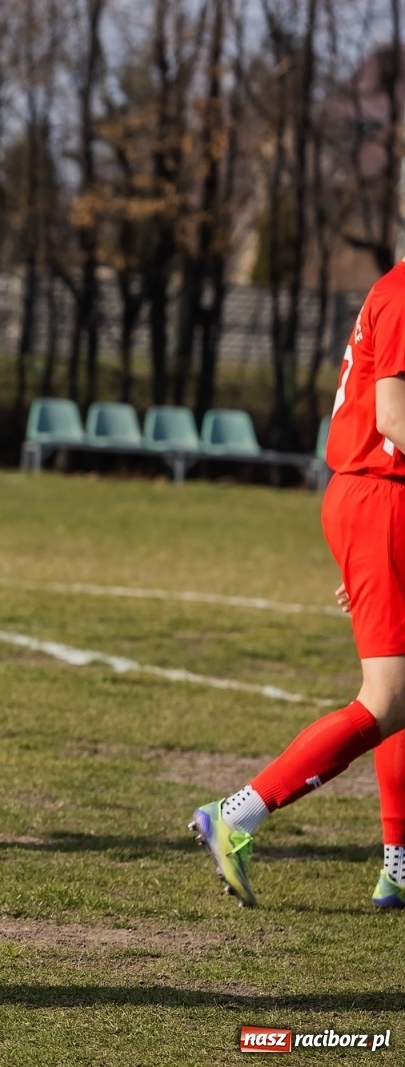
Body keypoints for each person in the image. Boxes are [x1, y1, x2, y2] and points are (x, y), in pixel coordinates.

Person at [192, 266, 405, 907]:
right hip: (382, 498)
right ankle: (237, 814)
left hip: (380, 502)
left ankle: (399, 866)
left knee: (403, 692)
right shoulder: (403, 294)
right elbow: (392, 418)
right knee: (387, 699)